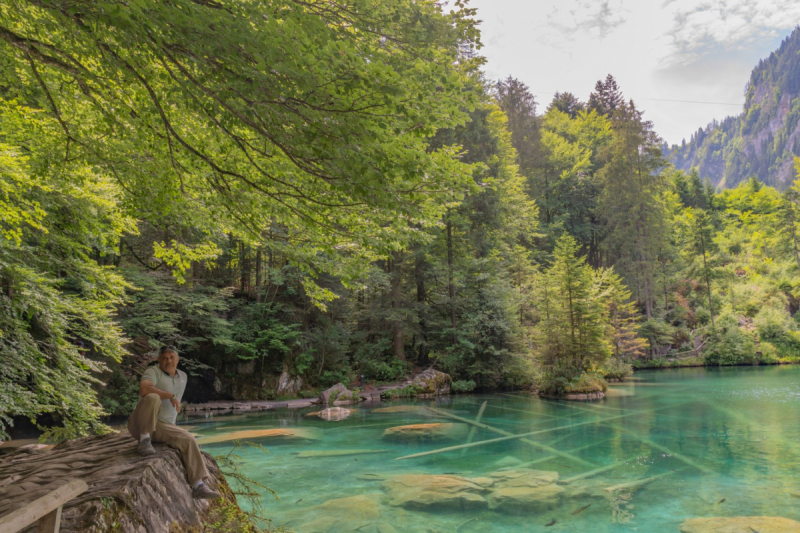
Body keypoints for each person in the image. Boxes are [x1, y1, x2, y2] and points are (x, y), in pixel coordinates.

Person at [127, 345, 221, 499]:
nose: (168, 360)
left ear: (177, 360)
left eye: (171, 357)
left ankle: (198, 486)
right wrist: (170, 395)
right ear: (158, 360)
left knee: (189, 440)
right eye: (164, 357)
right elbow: (144, 389)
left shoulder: (183, 376)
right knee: (152, 397)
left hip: (164, 427)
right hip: (140, 423)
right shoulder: (153, 372)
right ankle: (144, 441)